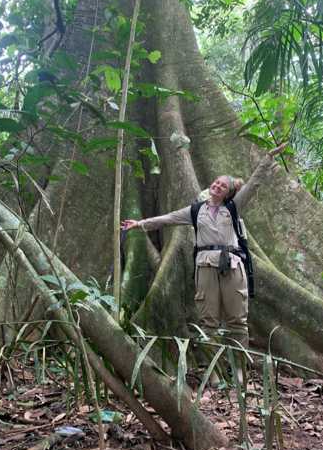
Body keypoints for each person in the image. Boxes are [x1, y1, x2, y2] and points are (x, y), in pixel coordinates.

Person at [122, 144, 287, 377]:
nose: (217, 186)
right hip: (205, 266)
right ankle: (215, 370)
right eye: (216, 182)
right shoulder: (195, 210)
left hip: (232, 265)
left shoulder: (233, 208)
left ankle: (239, 368)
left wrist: (268, 158)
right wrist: (140, 224)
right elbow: (168, 219)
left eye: (223, 186)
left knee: (237, 320)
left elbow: (252, 185)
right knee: (208, 321)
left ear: (229, 193)